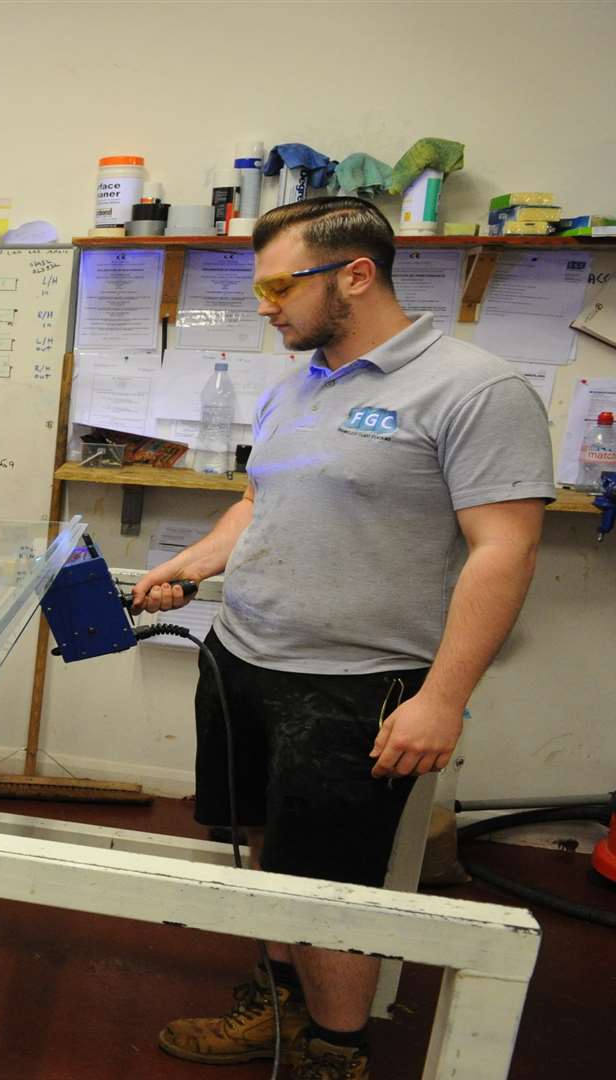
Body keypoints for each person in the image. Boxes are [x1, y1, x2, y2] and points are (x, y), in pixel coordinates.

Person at [132, 198, 552, 1080]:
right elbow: (260, 504)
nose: (265, 305)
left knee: (334, 884)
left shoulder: (475, 388)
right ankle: (277, 1004)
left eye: (280, 284)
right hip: (242, 655)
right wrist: (192, 565)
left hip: (354, 682)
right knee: (266, 844)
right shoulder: (296, 384)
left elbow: (504, 550)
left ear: (355, 274)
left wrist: (441, 697)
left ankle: (336, 1053)